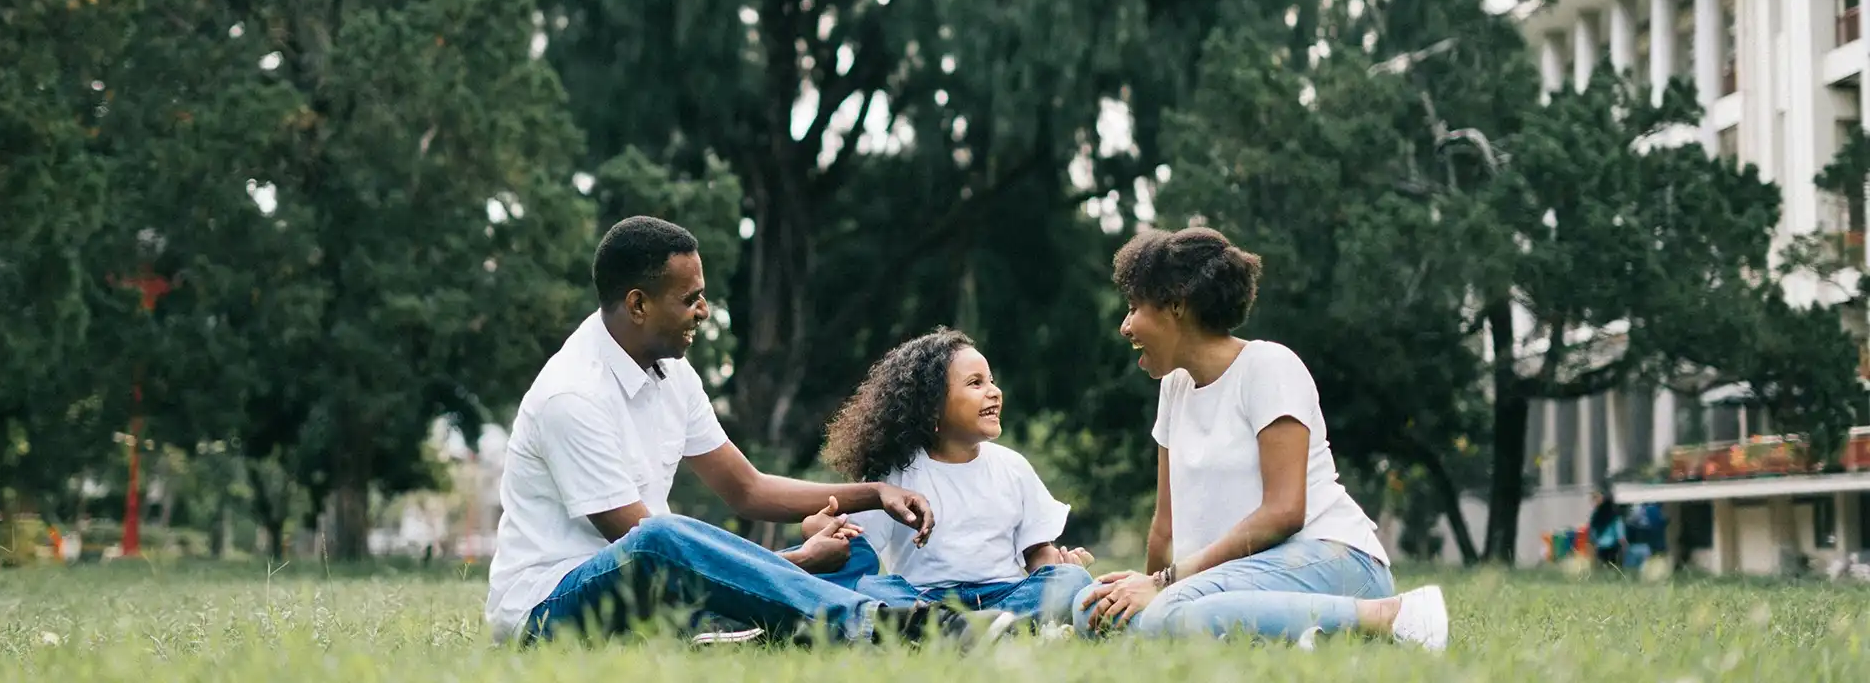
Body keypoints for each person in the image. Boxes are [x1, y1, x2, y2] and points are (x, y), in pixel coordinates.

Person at [485, 216, 1016, 647]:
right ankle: (883, 624)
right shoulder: (572, 396)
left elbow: (748, 489)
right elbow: (647, 552)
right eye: (689, 298)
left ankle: (747, 628)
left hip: (652, 588)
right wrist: (795, 562)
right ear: (638, 304)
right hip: (550, 607)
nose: (704, 311)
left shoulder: (673, 374)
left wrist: (875, 494)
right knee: (658, 535)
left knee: (849, 554)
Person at [1074, 227, 1449, 651]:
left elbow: (1284, 512)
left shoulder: (1268, 367)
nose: (1125, 326)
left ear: (1176, 305)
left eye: (1133, 307)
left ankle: (1393, 616)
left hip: (1330, 559)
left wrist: (1164, 585)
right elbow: (1165, 527)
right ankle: (1283, 632)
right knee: (1092, 611)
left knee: (1169, 613)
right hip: (1231, 578)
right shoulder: (1174, 388)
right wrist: (1142, 592)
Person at [803, 327, 1096, 626]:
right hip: (923, 601)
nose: (994, 392)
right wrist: (819, 528)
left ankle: (991, 625)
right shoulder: (895, 475)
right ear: (932, 406)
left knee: (1073, 580)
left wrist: (1056, 569)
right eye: (975, 383)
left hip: (1004, 594)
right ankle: (970, 626)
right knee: (869, 588)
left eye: (991, 381)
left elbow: (1037, 551)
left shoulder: (1013, 466)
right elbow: (855, 549)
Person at [1588, 488, 1626, 570]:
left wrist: (1592, 546)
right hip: (1613, 547)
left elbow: (1592, 533)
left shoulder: (1596, 516)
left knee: (1602, 570)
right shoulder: (1614, 515)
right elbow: (1620, 533)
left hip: (1601, 547)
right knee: (1614, 569)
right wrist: (1624, 546)